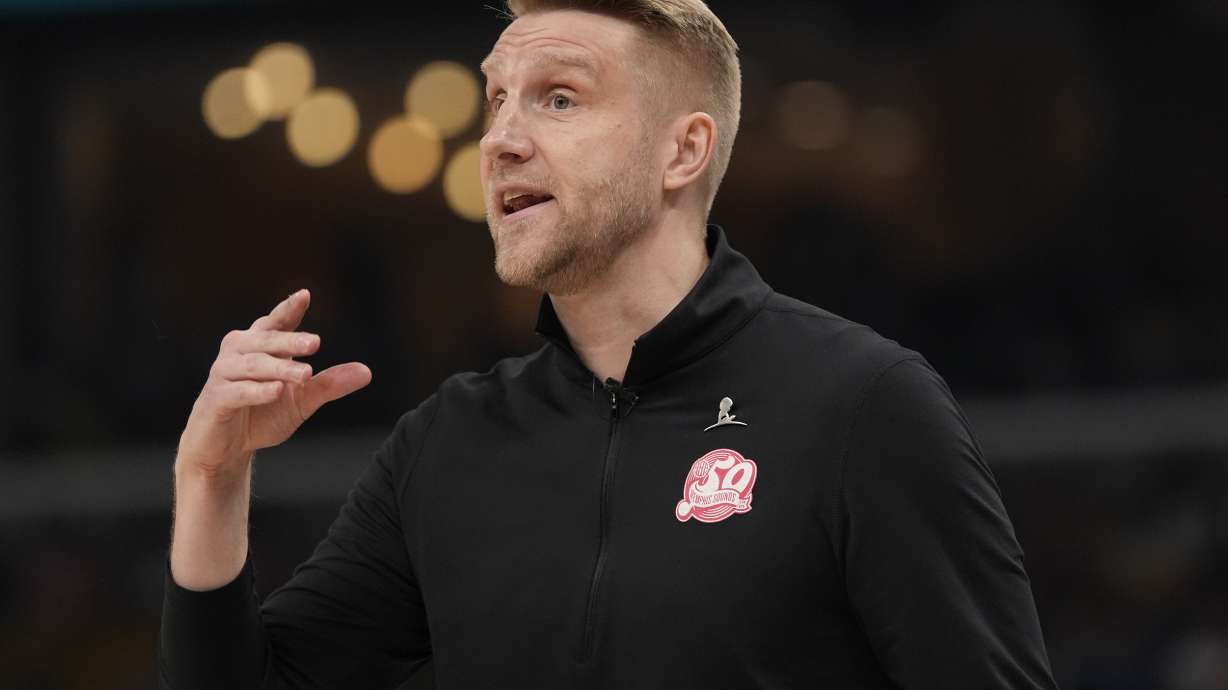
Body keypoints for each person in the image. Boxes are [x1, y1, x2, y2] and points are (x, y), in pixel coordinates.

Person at [159, 1, 1059, 688]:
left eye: (559, 98)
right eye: (497, 101)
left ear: (683, 151)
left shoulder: (863, 405)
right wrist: (210, 480)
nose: (500, 140)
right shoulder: (445, 445)